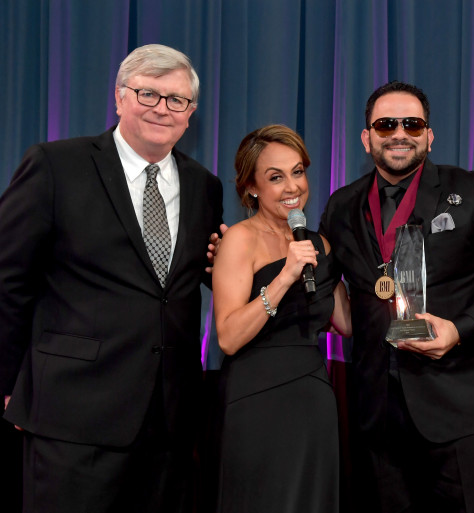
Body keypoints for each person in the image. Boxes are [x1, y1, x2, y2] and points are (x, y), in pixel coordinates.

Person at [0, 44, 224, 513]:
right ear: (120, 97)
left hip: (169, 424)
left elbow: (190, 283)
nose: (162, 108)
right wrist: (6, 383)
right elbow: (8, 281)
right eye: (148, 94)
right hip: (70, 415)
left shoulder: (205, 185)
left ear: (190, 115)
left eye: (177, 99)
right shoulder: (55, 165)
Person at [320, 81, 474, 513]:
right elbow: (319, 279)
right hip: (376, 418)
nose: (400, 133)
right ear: (366, 138)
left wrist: (460, 330)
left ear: (429, 135)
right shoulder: (342, 206)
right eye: (386, 125)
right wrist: (246, 254)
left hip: (461, 413)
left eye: (412, 124)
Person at [213, 125, 351, 513]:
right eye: (275, 177)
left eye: (298, 172)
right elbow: (228, 337)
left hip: (313, 399)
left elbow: (346, 324)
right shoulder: (240, 239)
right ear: (251, 187)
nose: (292, 186)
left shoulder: (318, 243)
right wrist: (285, 276)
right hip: (256, 400)